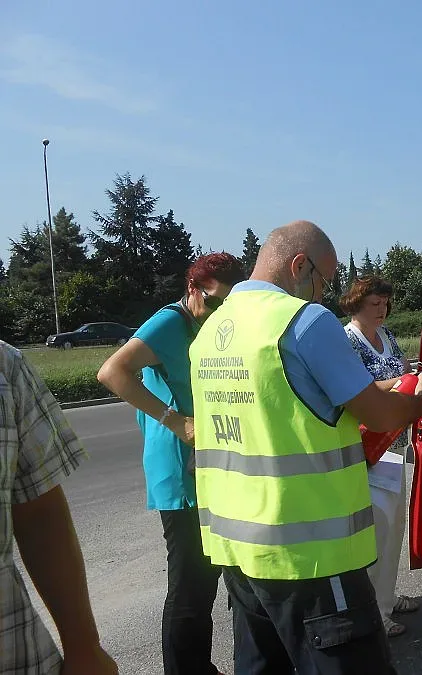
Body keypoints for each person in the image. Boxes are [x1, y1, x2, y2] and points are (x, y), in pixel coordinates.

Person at [189, 220, 422, 674]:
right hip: (312, 555)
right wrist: (421, 401)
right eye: (323, 280)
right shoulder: (303, 321)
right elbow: (379, 415)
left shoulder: (213, 327)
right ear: (299, 265)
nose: (324, 295)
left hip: (237, 551)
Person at [97, 252, 245, 675]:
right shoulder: (171, 322)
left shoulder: (209, 325)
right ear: (193, 289)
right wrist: (176, 420)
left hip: (211, 466)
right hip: (181, 471)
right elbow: (112, 372)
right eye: (215, 302)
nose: (221, 312)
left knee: (218, 576)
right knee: (192, 586)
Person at [1, 340, 118, 675]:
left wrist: (84, 648)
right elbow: (113, 371)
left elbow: (39, 514)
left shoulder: (6, 367)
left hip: (15, 653)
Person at [340, 276, 421, 638]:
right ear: (356, 304)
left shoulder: (386, 336)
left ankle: (386, 597)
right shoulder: (347, 339)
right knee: (376, 532)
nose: (382, 310)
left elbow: (401, 369)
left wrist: (417, 373)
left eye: (385, 303)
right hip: (367, 449)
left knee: (393, 529)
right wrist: (405, 384)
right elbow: (360, 391)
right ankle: (374, 612)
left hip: (395, 443)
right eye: (374, 304)